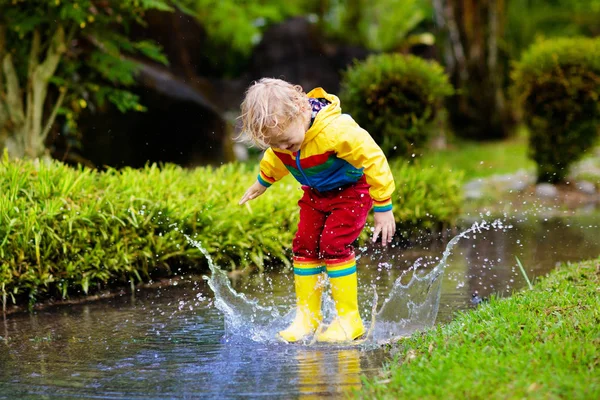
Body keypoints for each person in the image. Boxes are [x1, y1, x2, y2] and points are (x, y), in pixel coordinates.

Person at [238, 78, 395, 343]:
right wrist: (262, 182)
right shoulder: (282, 140)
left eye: (287, 142)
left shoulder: (336, 130)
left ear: (301, 109)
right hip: (316, 195)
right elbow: (275, 158)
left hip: (351, 191)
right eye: (276, 145)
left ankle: (349, 319)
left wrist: (383, 205)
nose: (284, 149)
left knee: (333, 244)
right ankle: (306, 318)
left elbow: (373, 158)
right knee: (305, 244)